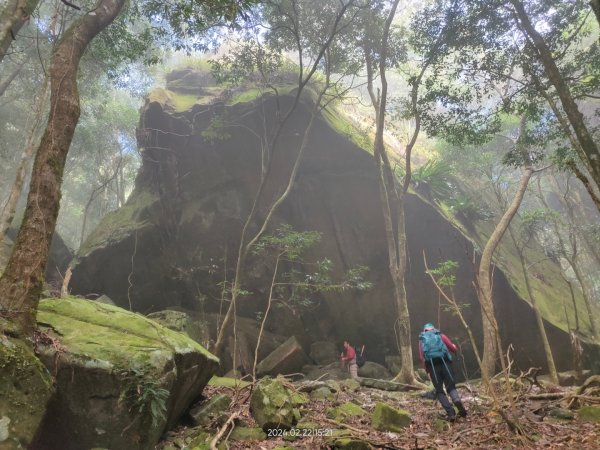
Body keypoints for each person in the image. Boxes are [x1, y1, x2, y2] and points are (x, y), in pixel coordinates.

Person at [418, 323, 467, 421]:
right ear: (433, 329)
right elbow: (452, 348)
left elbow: (421, 357)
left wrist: (427, 371)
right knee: (451, 387)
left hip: (432, 367)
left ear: (425, 331)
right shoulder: (440, 336)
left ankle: (451, 413)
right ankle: (456, 400)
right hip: (445, 363)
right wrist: (454, 346)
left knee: (439, 391)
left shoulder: (422, 340)